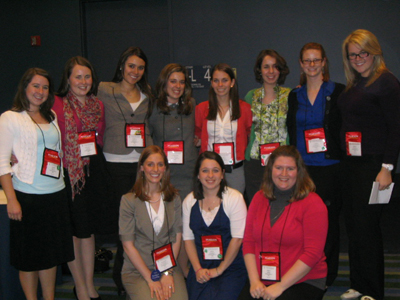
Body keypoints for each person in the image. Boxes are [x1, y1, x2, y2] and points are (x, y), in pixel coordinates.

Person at [0, 68, 74, 300]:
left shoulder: (51, 115)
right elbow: (2, 162)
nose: (40, 91)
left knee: (50, 256)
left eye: (44, 87)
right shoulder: (10, 118)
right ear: (24, 88)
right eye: (35, 86)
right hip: (27, 196)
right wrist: (12, 199)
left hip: (55, 194)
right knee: (29, 258)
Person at [338, 29, 400, 300]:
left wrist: (387, 167)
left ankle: (373, 290)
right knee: (353, 227)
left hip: (374, 166)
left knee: (368, 229)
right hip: (351, 166)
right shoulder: (356, 83)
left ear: (375, 52)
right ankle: (358, 283)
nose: (358, 58)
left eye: (363, 52)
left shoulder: (386, 82)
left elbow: (396, 129)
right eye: (353, 55)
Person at [286, 43, 345, 288]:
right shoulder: (294, 95)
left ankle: (328, 273)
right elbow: (291, 129)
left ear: (323, 62)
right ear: (301, 64)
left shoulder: (337, 91)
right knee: (301, 222)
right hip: (303, 169)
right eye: (307, 61)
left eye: (316, 60)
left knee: (328, 222)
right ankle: (303, 269)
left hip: (330, 167)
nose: (311, 65)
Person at [97, 46, 153, 294]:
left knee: (142, 221)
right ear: (121, 66)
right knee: (124, 223)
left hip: (141, 164)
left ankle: (133, 273)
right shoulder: (103, 89)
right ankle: (122, 277)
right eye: (131, 66)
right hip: (115, 162)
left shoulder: (147, 94)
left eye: (140, 67)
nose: (135, 71)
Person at [241, 145, 328, 300]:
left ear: (299, 172)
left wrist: (280, 286)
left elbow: (312, 254)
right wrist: (254, 281)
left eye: (290, 169)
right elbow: (248, 242)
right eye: (279, 167)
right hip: (263, 278)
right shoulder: (258, 198)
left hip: (304, 280)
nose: (284, 174)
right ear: (270, 170)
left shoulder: (313, 203)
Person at [53, 56, 107, 300]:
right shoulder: (55, 104)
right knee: (74, 232)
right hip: (69, 173)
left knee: (88, 231)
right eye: (78, 76)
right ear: (68, 79)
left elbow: (100, 138)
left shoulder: (98, 105)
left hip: (92, 171)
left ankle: (89, 284)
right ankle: (81, 288)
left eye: (87, 76)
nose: (84, 81)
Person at [119, 145, 188, 300]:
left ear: (165, 168)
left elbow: (177, 238)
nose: (155, 169)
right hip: (137, 271)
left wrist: (167, 273)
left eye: (160, 164)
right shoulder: (128, 201)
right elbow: (128, 246)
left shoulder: (174, 199)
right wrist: (150, 278)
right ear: (142, 168)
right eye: (150, 164)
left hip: (168, 267)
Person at [183, 151, 247, 299]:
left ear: (223, 173)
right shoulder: (189, 201)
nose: (210, 175)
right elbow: (188, 240)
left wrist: (219, 270)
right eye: (205, 170)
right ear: (198, 175)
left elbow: (237, 239)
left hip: (230, 266)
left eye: (215, 170)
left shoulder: (235, 198)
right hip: (201, 266)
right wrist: (198, 269)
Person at [195, 63, 252, 194]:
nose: (220, 85)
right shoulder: (202, 109)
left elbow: (249, 134)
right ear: (211, 83)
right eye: (216, 80)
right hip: (209, 171)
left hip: (235, 170)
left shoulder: (244, 108)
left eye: (224, 80)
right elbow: (198, 134)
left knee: (234, 209)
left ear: (232, 82)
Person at [244, 49, 291, 204]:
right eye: (266, 67)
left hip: (282, 164)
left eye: (275, 66)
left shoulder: (290, 95)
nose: (271, 71)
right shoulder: (251, 96)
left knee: (282, 207)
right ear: (259, 70)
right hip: (255, 164)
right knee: (257, 208)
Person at [148, 63, 197, 201]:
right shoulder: (153, 107)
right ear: (164, 83)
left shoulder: (192, 104)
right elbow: (147, 138)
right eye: (173, 81)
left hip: (189, 173)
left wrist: (198, 138)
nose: (178, 86)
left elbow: (200, 130)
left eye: (182, 82)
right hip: (163, 173)